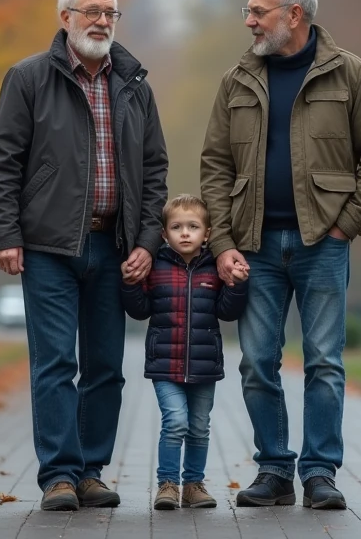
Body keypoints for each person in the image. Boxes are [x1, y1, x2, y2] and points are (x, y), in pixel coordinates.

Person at [199, 0, 361, 510]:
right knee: (256, 361)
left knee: (324, 362)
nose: (249, 21)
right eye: (248, 10)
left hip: (323, 244)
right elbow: (215, 165)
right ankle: (274, 470)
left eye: (258, 11)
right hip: (254, 247)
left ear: (294, 15)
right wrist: (222, 243)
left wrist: (344, 225)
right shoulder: (236, 79)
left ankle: (319, 473)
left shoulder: (350, 73)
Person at [0, 0, 169, 512]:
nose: (102, 21)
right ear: (65, 18)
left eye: (110, 12)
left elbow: (155, 167)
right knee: (56, 363)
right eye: (91, 11)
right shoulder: (28, 78)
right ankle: (59, 476)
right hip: (48, 248)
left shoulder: (135, 84)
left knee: (107, 365)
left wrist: (149, 241)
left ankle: (91, 470)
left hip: (115, 248)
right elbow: (2, 162)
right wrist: (5, 234)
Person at [120, 194, 249, 510]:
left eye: (193, 226)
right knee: (175, 420)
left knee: (199, 427)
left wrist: (237, 286)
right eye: (177, 227)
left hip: (205, 366)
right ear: (164, 233)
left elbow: (227, 312)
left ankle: (193, 485)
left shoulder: (213, 268)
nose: (186, 233)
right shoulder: (156, 266)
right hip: (164, 365)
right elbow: (139, 310)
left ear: (207, 233)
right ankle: (167, 484)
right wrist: (130, 284)